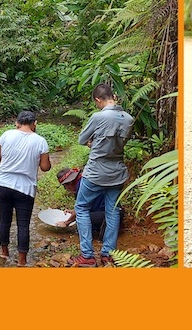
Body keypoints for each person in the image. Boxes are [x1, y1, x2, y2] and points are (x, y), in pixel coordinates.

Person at [71, 84, 135, 267]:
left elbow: (82, 139)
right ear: (113, 96)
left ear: (98, 100)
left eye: (96, 103)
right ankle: (108, 254)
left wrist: (94, 142)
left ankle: (87, 255)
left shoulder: (98, 117)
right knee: (113, 211)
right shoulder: (128, 119)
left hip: (96, 172)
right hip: (117, 172)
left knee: (82, 208)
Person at [0, 111, 52, 267]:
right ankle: (22, 260)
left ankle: (4, 252)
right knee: (23, 224)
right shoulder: (40, 141)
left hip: (3, 183)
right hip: (25, 188)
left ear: (17, 122)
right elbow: (45, 167)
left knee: (4, 219)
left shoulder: (6, 134)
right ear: (34, 123)